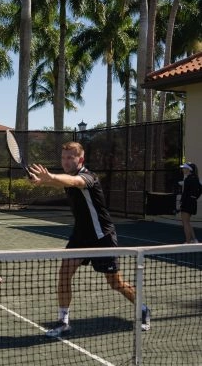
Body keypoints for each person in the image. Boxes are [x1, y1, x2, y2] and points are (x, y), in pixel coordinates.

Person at [28, 141, 151, 337]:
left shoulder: (88, 177)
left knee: (114, 283)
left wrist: (49, 177)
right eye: (63, 157)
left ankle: (143, 309)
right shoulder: (67, 176)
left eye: (70, 158)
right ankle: (63, 321)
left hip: (102, 237)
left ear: (81, 159)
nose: (66, 161)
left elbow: (74, 182)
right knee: (64, 273)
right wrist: (42, 181)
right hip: (80, 236)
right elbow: (63, 180)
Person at [179, 162, 200, 243]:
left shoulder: (188, 179)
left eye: (184, 168)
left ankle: (188, 242)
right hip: (192, 203)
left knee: (185, 222)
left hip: (187, 203)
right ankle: (194, 240)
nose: (183, 169)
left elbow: (185, 193)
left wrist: (181, 203)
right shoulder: (196, 179)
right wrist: (194, 198)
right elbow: (199, 191)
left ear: (189, 170)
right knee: (187, 222)